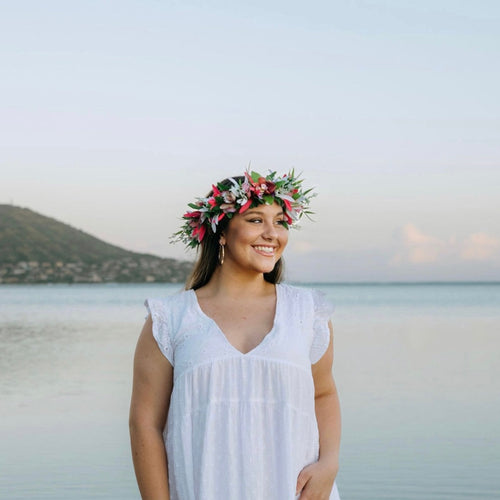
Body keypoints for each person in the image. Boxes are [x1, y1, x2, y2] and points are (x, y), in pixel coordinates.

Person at [129, 169, 341, 500]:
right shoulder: (170, 318)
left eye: (281, 221)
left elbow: (323, 394)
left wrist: (329, 464)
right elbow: (145, 424)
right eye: (256, 220)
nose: (273, 233)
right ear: (221, 232)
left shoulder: (307, 312)